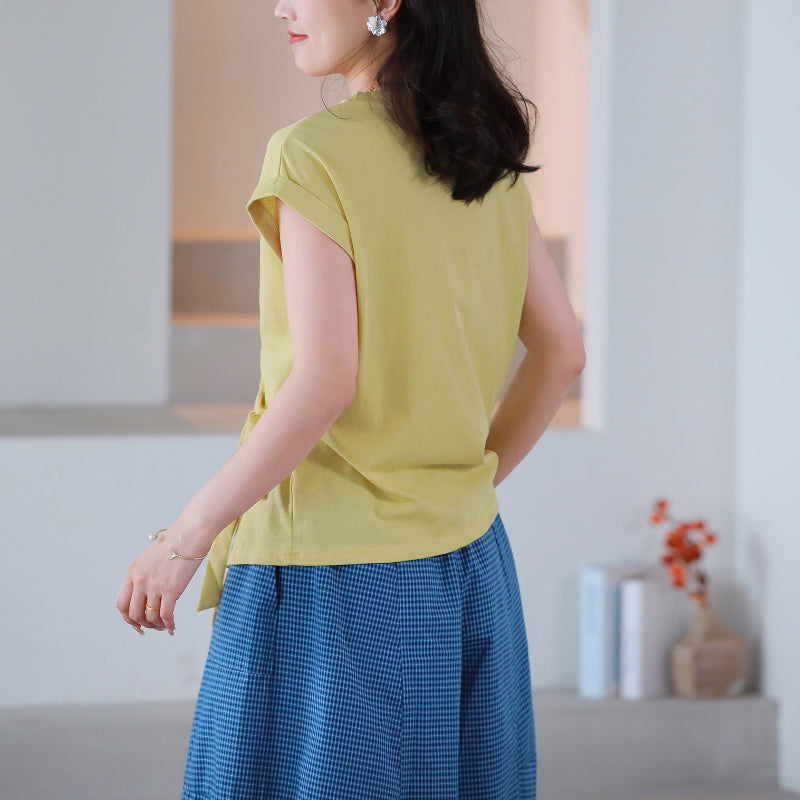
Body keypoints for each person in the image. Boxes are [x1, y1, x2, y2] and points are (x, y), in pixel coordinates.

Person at [115, 0, 585, 796]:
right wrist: (447, 486)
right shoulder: (484, 155)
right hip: (468, 562)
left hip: (329, 573)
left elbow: (325, 381)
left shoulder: (313, 154)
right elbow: (563, 353)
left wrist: (183, 539)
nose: (281, 7)